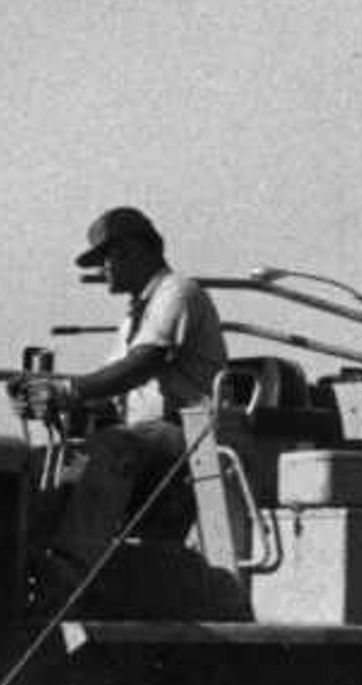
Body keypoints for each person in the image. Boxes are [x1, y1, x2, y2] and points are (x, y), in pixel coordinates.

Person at [23, 204, 231, 590]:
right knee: (61, 459)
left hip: (188, 433)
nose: (103, 270)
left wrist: (70, 391)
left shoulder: (178, 293)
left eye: (106, 259)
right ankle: (31, 556)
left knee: (111, 447)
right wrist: (51, 399)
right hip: (147, 434)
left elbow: (143, 364)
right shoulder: (135, 315)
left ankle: (72, 566)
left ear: (133, 251)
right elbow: (115, 386)